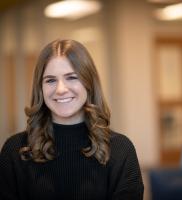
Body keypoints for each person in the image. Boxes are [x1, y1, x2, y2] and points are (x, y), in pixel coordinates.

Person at [0, 39, 144, 200]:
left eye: (72, 77)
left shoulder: (120, 150)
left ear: (89, 83)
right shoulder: (15, 151)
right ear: (40, 88)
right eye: (51, 80)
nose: (61, 89)